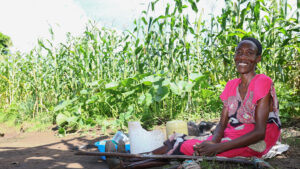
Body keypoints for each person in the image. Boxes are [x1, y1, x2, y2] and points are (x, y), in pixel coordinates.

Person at [179, 37, 281, 157]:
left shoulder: (262, 82)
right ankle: (152, 156)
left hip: (258, 138)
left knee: (189, 147)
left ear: (258, 59)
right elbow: (222, 124)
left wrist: (216, 148)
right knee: (188, 145)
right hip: (237, 131)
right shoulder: (231, 85)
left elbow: (259, 132)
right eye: (239, 52)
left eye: (249, 53)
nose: (243, 57)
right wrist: (213, 142)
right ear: (234, 57)